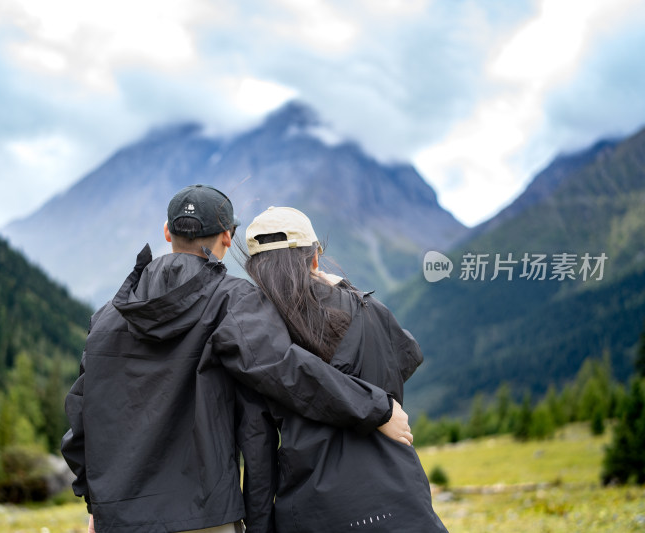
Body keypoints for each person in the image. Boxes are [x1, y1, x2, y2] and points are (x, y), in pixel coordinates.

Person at [61, 185, 413, 533]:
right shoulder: (232, 300)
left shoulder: (107, 316)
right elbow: (284, 373)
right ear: (228, 237)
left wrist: (97, 502)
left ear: (167, 232)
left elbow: (81, 414)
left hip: (118, 519)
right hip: (206, 516)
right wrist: (376, 408)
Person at [242, 206, 449, 532]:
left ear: (255, 270)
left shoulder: (258, 334)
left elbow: (258, 448)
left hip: (314, 512)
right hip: (401, 500)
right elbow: (407, 355)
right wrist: (349, 291)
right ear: (314, 258)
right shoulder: (366, 310)